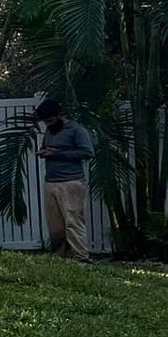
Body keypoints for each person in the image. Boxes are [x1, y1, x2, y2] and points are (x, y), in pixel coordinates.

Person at [34, 98, 95, 259]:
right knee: (55, 226)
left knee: (73, 222)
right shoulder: (50, 131)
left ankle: (82, 256)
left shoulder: (76, 130)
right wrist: (44, 151)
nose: (48, 124)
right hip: (51, 182)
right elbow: (48, 147)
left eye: (50, 120)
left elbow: (88, 152)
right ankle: (58, 256)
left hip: (71, 182)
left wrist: (57, 154)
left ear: (60, 115)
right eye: (45, 122)